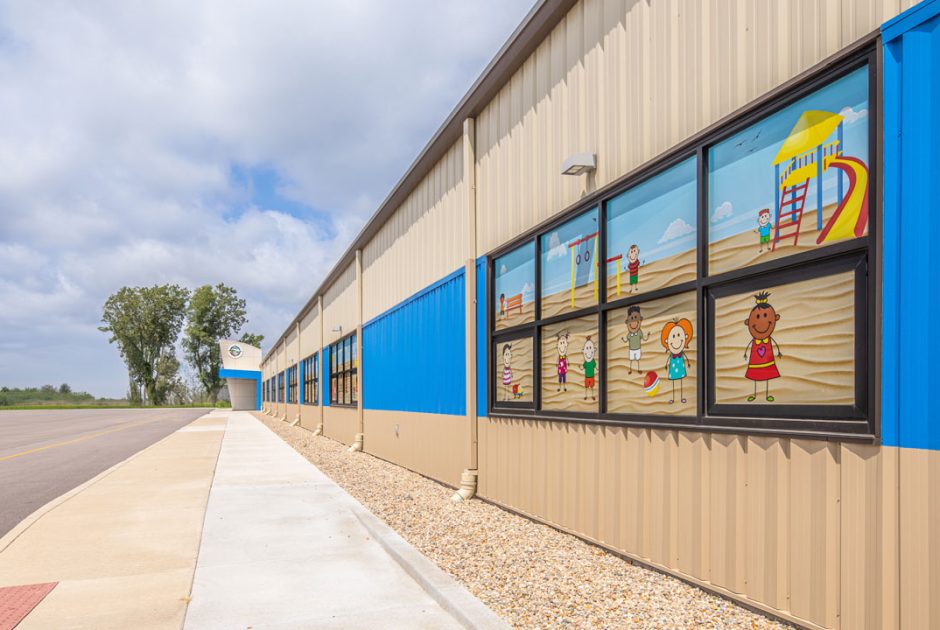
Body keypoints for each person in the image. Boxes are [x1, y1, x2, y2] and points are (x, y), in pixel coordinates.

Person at [743, 291, 783, 401]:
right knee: (755, 375)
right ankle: (755, 394)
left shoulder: (768, 340)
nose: (762, 321)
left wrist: (778, 352)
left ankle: (767, 394)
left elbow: (775, 344)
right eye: (757, 317)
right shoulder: (755, 341)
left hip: (766, 359)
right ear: (748, 322)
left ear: (775, 318)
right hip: (756, 359)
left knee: (766, 375)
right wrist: (745, 353)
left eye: (765, 315)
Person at [661, 318, 693, 404]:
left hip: (680, 365)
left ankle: (682, 397)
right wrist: (666, 365)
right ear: (667, 341)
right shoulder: (672, 354)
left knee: (681, 382)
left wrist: (689, 363)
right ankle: (674, 398)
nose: (676, 339)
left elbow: (685, 356)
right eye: (673, 336)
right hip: (674, 365)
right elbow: (668, 359)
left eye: (679, 335)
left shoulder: (681, 353)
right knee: (674, 383)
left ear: (685, 336)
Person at [621, 305, 650, 374]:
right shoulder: (629, 334)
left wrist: (648, 336)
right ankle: (630, 369)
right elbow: (626, 340)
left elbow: (644, 338)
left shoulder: (639, 332)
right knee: (631, 360)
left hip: (637, 349)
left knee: (637, 360)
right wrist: (623, 340)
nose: (633, 323)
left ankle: (638, 369)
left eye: (636, 319)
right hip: (631, 349)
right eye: (631, 320)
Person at [582, 336, 598, 401]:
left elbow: (595, 366)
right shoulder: (586, 362)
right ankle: (586, 395)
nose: (589, 351)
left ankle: (592, 395)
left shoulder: (593, 361)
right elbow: (583, 367)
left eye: (590, 348)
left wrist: (597, 369)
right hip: (587, 376)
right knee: (586, 387)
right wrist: (581, 368)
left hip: (591, 376)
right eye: (587, 348)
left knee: (591, 386)